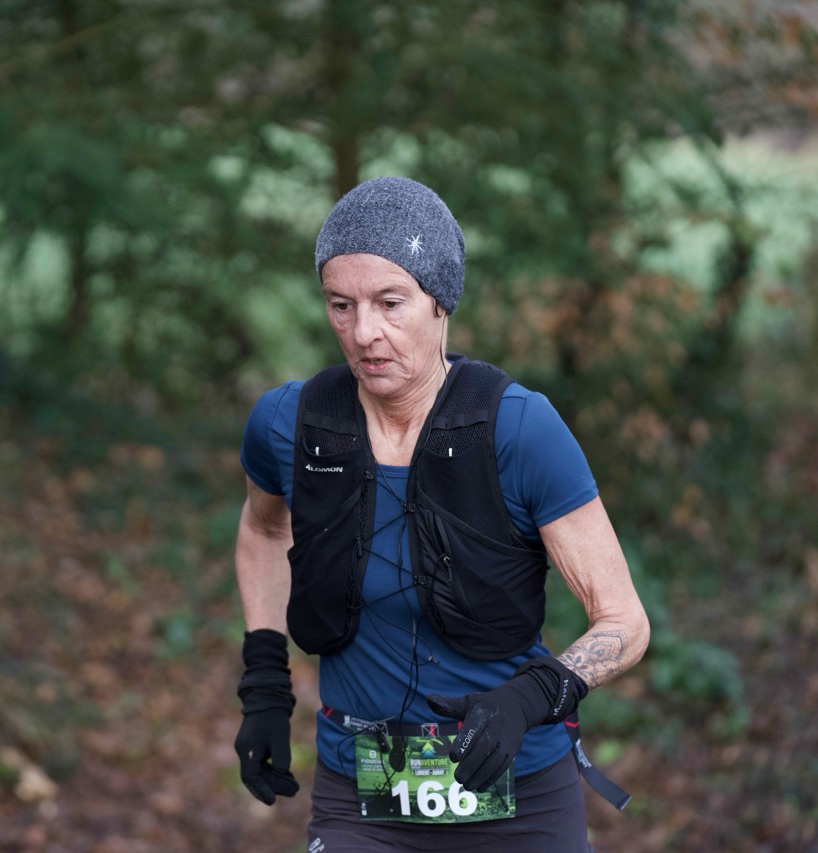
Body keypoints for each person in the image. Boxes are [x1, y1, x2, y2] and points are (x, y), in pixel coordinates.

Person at [232, 176, 649, 851]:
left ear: (440, 300)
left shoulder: (518, 429)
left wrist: (531, 697)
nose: (364, 332)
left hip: (517, 794)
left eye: (390, 302)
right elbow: (263, 528)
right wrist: (264, 682)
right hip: (361, 799)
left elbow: (625, 621)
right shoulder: (291, 424)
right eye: (341, 305)